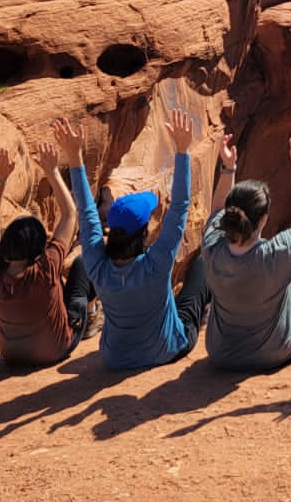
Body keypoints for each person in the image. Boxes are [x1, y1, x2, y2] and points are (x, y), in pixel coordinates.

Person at [52, 108, 211, 371]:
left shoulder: (97, 264)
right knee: (201, 271)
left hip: (115, 358)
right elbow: (180, 205)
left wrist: (75, 158)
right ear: (145, 229)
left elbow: (87, 212)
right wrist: (182, 150)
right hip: (165, 350)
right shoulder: (156, 264)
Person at [200, 124, 291, 371]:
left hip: (221, 354)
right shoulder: (276, 253)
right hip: (275, 352)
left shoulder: (212, 248)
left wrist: (228, 168)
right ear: (263, 219)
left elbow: (216, 211)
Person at [0, 139, 95, 366]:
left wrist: (1, 178)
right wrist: (52, 171)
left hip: (11, 356)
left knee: (57, 284)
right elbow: (70, 214)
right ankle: (90, 317)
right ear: (37, 253)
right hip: (55, 351)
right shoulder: (45, 268)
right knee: (83, 263)